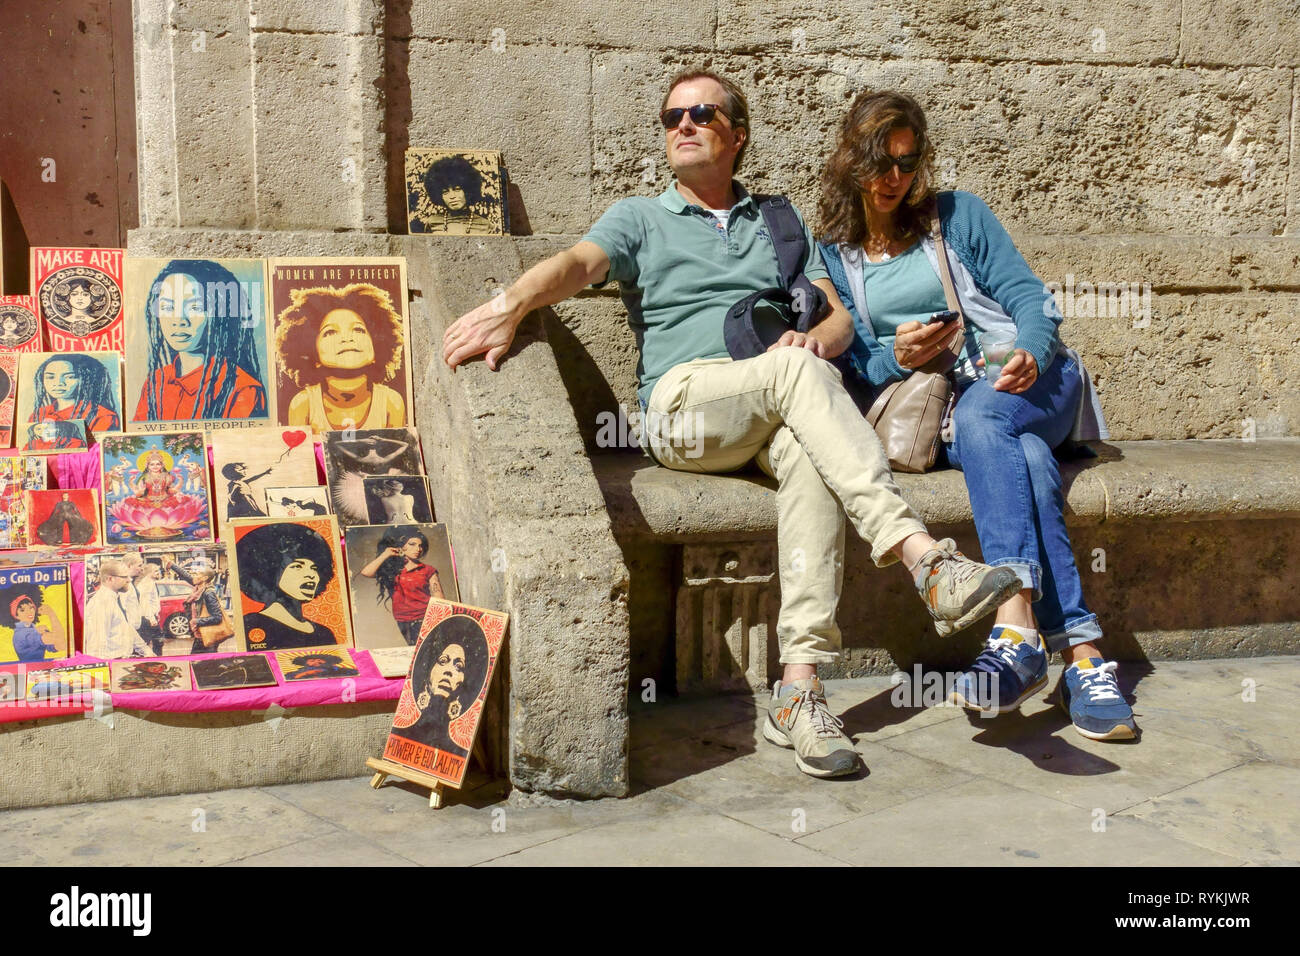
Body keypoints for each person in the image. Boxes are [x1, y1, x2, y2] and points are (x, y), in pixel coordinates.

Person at [442, 68, 1021, 778]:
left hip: (770, 401)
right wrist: (512, 303)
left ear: (736, 135)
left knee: (810, 453)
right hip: (682, 410)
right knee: (797, 378)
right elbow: (575, 265)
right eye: (672, 116)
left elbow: (837, 319)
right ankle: (924, 559)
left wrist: (815, 342)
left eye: (703, 113)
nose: (683, 125)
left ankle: (800, 690)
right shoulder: (640, 217)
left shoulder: (778, 221)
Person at [817, 90, 1135, 741]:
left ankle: (1015, 629)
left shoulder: (956, 216)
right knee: (1026, 460)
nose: (894, 178)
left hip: (1034, 383)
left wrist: (1028, 350)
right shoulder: (835, 252)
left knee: (994, 418)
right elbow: (851, 368)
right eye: (880, 162)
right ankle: (1082, 656)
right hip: (953, 420)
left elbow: (1031, 299)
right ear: (850, 159)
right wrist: (894, 354)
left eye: (907, 163)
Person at [132, 260, 269, 423]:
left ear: (219, 316)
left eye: (195, 307)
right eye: (167, 308)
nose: (179, 320)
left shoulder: (243, 389)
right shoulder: (156, 382)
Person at [275, 284, 406, 431]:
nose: (346, 338)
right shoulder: (303, 404)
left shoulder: (391, 402)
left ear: (377, 345)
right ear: (313, 353)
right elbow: (300, 453)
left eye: (358, 329)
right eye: (330, 332)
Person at [235, 522, 341, 650]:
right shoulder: (252, 624)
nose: (311, 575)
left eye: (314, 568)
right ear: (269, 572)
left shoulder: (324, 633)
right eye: (297, 566)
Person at [398, 616, 491, 759]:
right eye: (443, 661)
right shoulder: (400, 735)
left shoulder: (456, 751)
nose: (449, 671)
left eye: (458, 667)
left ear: (464, 680)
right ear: (429, 670)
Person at [359, 526, 445, 646]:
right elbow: (366, 572)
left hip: (425, 617)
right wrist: (385, 554)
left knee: (428, 650)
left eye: (420, 546)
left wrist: (439, 620)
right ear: (401, 545)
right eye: (412, 544)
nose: (418, 549)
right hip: (403, 620)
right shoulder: (392, 570)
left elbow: (438, 596)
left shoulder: (428, 570)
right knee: (414, 650)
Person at [27, 353, 120, 434]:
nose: (58, 383)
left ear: (86, 381)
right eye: (50, 377)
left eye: (69, 377)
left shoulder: (103, 416)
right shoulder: (38, 414)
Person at [83, 559, 151, 659]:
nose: (129, 580)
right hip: (112, 662)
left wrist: (145, 650)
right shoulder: (102, 603)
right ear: (110, 579)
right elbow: (96, 648)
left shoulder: (113, 599)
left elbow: (127, 628)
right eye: (124, 577)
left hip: (120, 660)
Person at [411, 155, 497, 235]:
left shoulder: (485, 225)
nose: (452, 196)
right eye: (445, 192)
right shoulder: (432, 222)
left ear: (468, 191)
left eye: (457, 189)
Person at [161, 554, 225, 654]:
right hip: (201, 635)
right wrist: (170, 563)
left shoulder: (208, 593)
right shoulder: (199, 588)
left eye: (197, 574)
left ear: (204, 578)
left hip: (207, 636)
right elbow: (186, 575)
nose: (193, 575)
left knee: (203, 664)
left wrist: (196, 621)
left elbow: (217, 617)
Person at [0, 583, 66, 662]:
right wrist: (51, 614)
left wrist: (51, 614)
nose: (29, 612)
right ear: (16, 616)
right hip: (28, 670)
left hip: (42, 669)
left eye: (31, 607)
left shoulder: (34, 630)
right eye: (22, 610)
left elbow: (62, 645)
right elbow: (57, 639)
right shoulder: (22, 635)